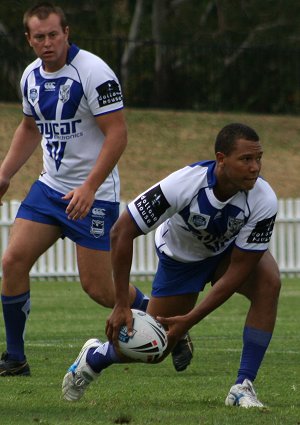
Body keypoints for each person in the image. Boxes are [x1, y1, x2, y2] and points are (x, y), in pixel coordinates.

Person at [62, 123, 281, 408]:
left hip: (227, 253)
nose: (255, 167)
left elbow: (238, 270)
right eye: (246, 159)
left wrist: (190, 319)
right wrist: (120, 304)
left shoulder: (264, 200)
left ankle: (242, 386)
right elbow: (121, 231)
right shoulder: (183, 184)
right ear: (221, 158)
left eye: (258, 159)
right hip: (181, 260)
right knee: (156, 348)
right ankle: (94, 357)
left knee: (269, 283)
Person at [0, 2, 154, 377]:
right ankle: (16, 358)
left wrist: (89, 187)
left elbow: (117, 134)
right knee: (11, 262)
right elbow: (29, 127)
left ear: (67, 32)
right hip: (49, 189)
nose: (48, 42)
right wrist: (4, 174)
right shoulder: (30, 76)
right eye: (40, 37)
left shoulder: (94, 72)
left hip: (94, 195)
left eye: (54, 34)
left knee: (101, 290)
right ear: (29, 40)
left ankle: (165, 320)